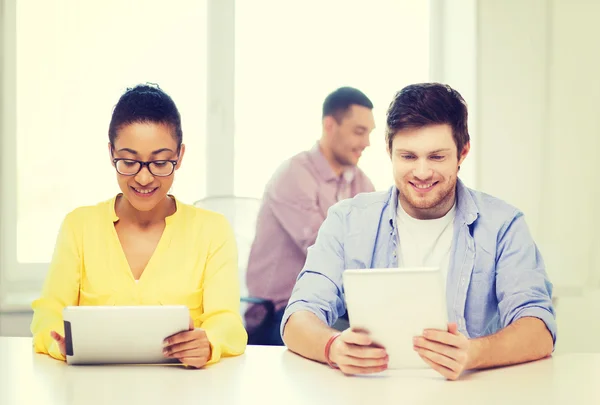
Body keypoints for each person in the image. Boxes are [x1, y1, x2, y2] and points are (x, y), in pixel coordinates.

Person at [281, 83, 556, 380]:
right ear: (389, 151)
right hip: (372, 393)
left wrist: (474, 353)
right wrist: (332, 346)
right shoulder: (347, 221)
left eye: (436, 157)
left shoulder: (504, 225)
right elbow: (298, 317)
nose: (422, 173)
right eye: (408, 157)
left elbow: (539, 328)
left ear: (462, 153)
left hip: (469, 394)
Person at [30, 84, 247, 368]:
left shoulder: (212, 230)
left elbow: (228, 321)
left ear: (179, 157)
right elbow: (48, 312)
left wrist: (210, 343)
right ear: (111, 153)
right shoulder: (79, 226)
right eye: (129, 161)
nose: (144, 179)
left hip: (185, 390)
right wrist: (58, 341)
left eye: (159, 162)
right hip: (93, 390)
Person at [245, 87, 376, 345]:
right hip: (278, 314)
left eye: (369, 133)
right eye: (359, 132)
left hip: (336, 307)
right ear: (329, 125)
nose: (366, 143)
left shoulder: (360, 182)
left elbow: (377, 243)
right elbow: (326, 250)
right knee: (358, 345)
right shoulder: (295, 174)